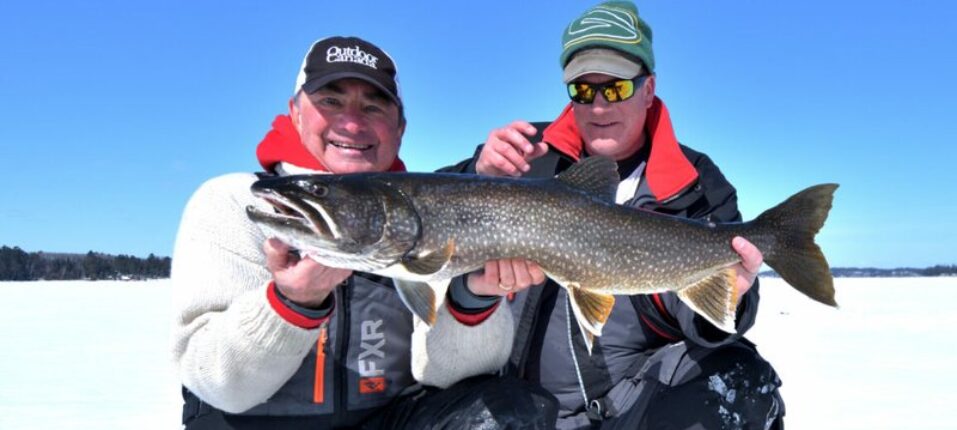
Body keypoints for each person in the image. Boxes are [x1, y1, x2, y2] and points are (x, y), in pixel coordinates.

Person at [171, 36, 556, 429]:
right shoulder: (237, 203)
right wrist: (291, 303)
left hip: (385, 420)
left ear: (400, 128)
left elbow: (456, 377)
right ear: (295, 112)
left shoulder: (430, 214)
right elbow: (218, 386)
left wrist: (473, 300)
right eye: (331, 101)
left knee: (508, 410)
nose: (352, 123)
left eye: (373, 106)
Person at [441, 2, 785, 428]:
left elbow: (715, 323)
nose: (599, 106)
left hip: (635, 402)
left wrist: (728, 295)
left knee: (742, 380)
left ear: (648, 88)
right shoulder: (524, 157)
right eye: (584, 90)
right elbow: (425, 208)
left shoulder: (696, 182)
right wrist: (478, 174)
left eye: (616, 87)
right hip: (519, 403)